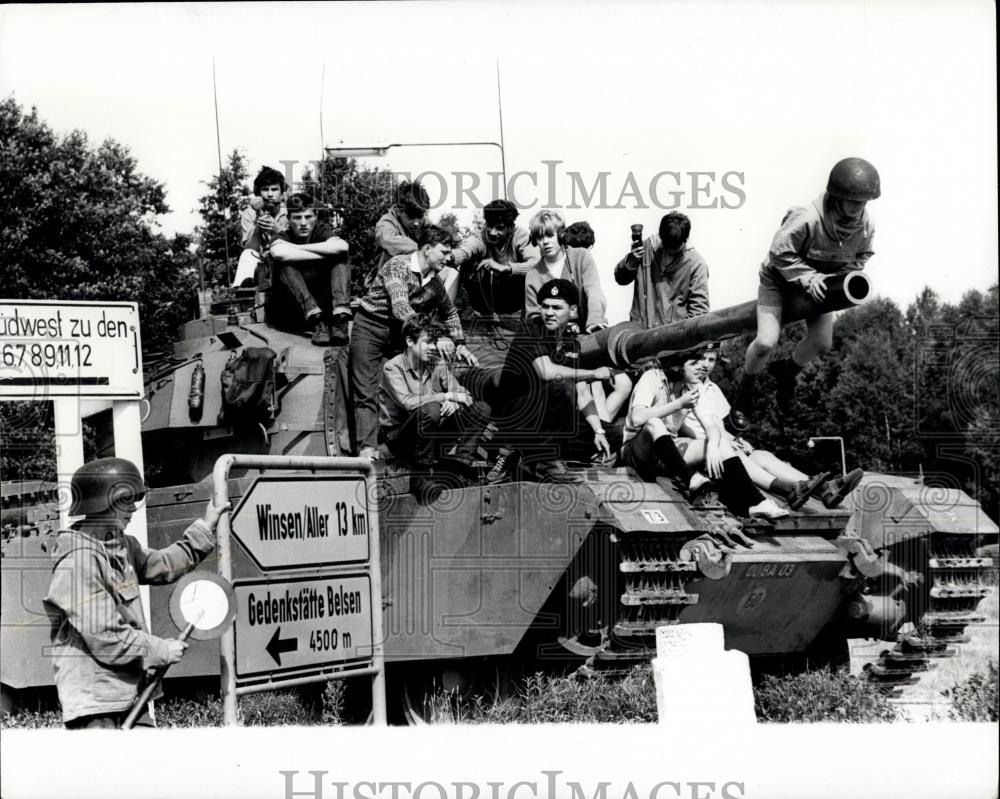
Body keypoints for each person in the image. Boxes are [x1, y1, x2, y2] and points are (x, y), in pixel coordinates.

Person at [43, 457, 228, 729]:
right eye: (125, 501)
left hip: (129, 695)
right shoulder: (78, 560)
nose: (132, 509)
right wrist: (162, 649)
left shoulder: (118, 545)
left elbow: (163, 565)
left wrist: (206, 526)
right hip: (98, 706)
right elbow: (105, 636)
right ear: (103, 503)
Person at [729, 158, 880, 430]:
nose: (860, 208)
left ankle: (787, 373)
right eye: (854, 202)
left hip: (821, 284)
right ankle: (744, 393)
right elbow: (779, 252)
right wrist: (807, 277)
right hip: (779, 279)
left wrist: (838, 279)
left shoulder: (865, 227)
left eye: (864, 202)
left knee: (822, 343)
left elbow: (862, 257)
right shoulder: (807, 217)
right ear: (837, 197)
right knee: (765, 342)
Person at [352, 224, 478, 461]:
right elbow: (401, 308)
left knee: (402, 385)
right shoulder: (398, 266)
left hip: (398, 331)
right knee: (366, 388)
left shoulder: (434, 282)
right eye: (444, 251)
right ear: (427, 249)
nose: (449, 257)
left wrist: (459, 342)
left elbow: (450, 312)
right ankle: (367, 448)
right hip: (370, 325)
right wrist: (434, 337)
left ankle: (401, 446)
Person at [690, 343, 864, 509]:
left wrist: (735, 440)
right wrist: (723, 443)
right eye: (701, 359)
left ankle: (823, 488)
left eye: (711, 360)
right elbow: (688, 431)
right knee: (738, 455)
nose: (705, 365)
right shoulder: (685, 388)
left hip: (723, 446)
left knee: (762, 456)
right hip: (704, 452)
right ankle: (788, 489)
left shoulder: (712, 389)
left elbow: (719, 427)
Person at [621, 350, 788, 519]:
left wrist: (713, 447)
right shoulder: (653, 377)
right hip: (637, 452)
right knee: (654, 423)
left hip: (668, 454)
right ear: (678, 365)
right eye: (694, 361)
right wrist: (678, 404)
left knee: (720, 442)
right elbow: (637, 418)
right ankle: (691, 479)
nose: (702, 366)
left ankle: (756, 502)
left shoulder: (694, 386)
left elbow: (711, 426)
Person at [488, 279, 615, 484]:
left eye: (556, 307)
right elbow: (547, 372)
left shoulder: (571, 345)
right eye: (545, 306)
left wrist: (598, 431)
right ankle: (544, 462)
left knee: (612, 434)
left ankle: (544, 458)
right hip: (517, 418)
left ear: (572, 310)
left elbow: (583, 393)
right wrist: (593, 373)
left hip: (546, 422)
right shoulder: (531, 329)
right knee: (562, 387)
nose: (548, 312)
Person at [378, 314, 492, 490]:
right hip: (401, 439)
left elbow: (464, 395)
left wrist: (456, 403)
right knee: (431, 408)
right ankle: (421, 474)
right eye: (427, 342)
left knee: (482, 408)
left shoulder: (436, 363)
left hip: (431, 432)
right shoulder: (393, 367)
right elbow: (408, 402)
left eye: (435, 342)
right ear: (410, 341)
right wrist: (446, 397)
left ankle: (460, 466)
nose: (432, 347)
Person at [269, 193, 351, 346]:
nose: (303, 223)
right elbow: (278, 252)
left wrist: (296, 249)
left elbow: (342, 246)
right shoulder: (283, 236)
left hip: (325, 305)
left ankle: (341, 318)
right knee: (284, 263)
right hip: (293, 310)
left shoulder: (321, 232)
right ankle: (315, 318)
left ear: (316, 215)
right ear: (288, 219)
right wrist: (323, 252)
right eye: (297, 218)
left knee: (340, 256)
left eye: (308, 217)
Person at [615, 212, 710, 329]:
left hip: (673, 341)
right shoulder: (645, 249)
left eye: (675, 248)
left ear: (685, 240)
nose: (671, 252)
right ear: (660, 236)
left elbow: (699, 313)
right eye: (668, 247)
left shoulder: (696, 264)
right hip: (640, 336)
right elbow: (620, 278)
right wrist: (631, 261)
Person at [523, 210, 608, 333]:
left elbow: (594, 291)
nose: (545, 241)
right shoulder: (532, 275)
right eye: (540, 237)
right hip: (553, 339)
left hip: (589, 329)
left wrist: (594, 321)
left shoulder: (581, 257)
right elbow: (534, 317)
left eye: (550, 235)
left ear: (561, 235)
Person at [449, 199, 538, 315]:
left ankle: (531, 318)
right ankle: (447, 313)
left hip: (516, 296)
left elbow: (536, 264)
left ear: (511, 227)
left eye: (499, 228)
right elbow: (468, 248)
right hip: (489, 296)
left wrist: (507, 268)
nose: (492, 232)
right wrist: (450, 256)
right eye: (490, 225)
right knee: (465, 265)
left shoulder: (521, 236)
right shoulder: (481, 236)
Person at [374, 179, 458, 297]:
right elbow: (387, 240)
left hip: (413, 280)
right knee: (392, 253)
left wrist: (449, 253)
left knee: (451, 272)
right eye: (411, 217)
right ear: (399, 210)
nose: (416, 223)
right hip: (386, 282)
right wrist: (423, 250)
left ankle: (444, 314)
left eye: (420, 217)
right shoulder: (387, 222)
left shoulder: (423, 223)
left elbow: (440, 237)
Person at [240, 165, 289, 253]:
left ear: (282, 193)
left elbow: (297, 244)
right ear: (258, 193)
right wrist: (258, 227)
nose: (270, 194)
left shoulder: (289, 212)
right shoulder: (249, 214)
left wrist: (276, 228)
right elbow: (249, 249)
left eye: (274, 189)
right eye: (265, 189)